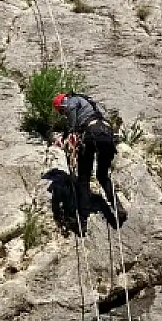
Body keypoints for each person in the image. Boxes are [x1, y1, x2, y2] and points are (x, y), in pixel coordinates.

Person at [52, 93, 127, 227]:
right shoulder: (90, 104)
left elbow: (73, 123)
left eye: (62, 111)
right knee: (102, 176)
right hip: (107, 134)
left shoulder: (71, 101)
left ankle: (82, 219)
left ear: (62, 104)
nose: (64, 114)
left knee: (83, 178)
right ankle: (118, 208)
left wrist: (66, 136)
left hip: (91, 134)